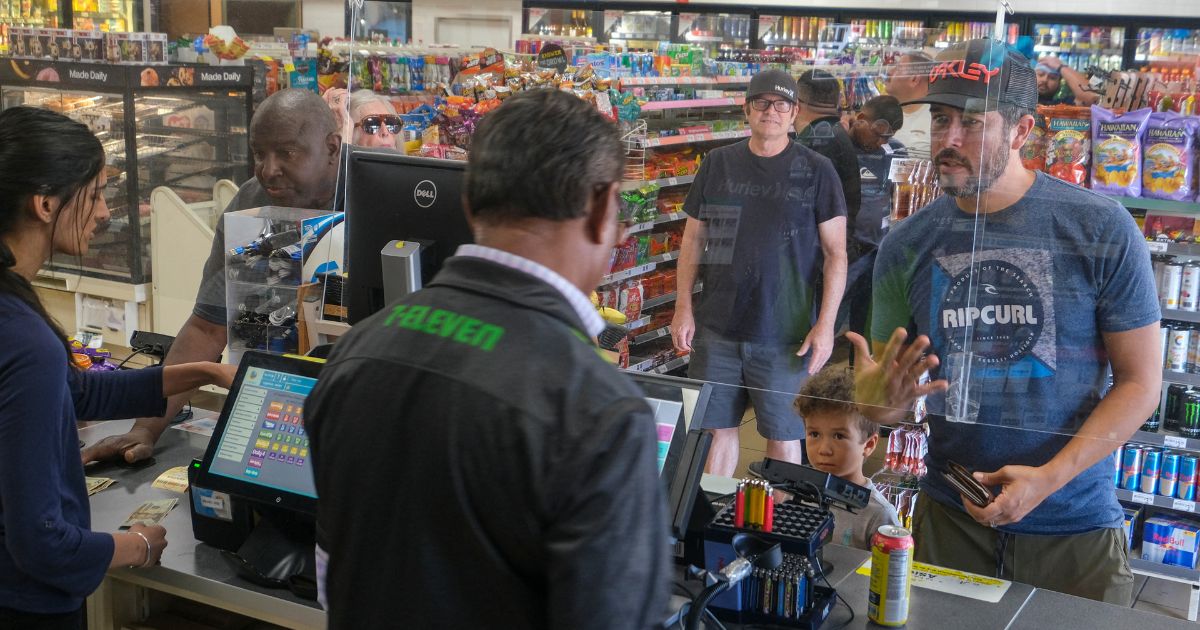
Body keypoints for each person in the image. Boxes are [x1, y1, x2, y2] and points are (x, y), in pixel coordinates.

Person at [305, 89, 668, 629]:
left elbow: (332, 581)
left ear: (469, 203)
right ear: (599, 209)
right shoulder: (598, 411)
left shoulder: (357, 350)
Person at [852, 39, 1160, 603]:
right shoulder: (906, 244)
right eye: (940, 118)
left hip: (1075, 528)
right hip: (951, 521)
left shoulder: (1101, 229)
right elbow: (885, 402)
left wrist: (1050, 478)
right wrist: (879, 399)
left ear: (1021, 131)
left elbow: (1140, 383)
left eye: (972, 123)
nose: (947, 140)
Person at [0, 107, 235, 629]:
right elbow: (41, 541)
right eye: (95, 194)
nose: (105, 213)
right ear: (44, 204)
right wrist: (136, 546)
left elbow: (79, 393)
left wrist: (204, 373)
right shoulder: (26, 339)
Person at [81, 88, 342, 466]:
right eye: (258, 154)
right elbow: (207, 328)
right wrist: (145, 429)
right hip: (280, 417)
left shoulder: (379, 192)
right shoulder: (252, 206)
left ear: (332, 148)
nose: (268, 170)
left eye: (286, 152)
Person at [672, 69, 847, 476]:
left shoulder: (817, 170)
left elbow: (835, 253)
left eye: (781, 103)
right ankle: (711, 521)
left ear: (794, 113)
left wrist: (826, 325)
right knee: (716, 432)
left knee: (783, 437)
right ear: (746, 109)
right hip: (717, 327)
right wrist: (683, 306)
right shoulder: (718, 163)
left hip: (785, 334)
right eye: (762, 103)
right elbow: (692, 241)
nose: (771, 111)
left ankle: (776, 531)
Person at [794, 367, 900, 550]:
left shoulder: (879, 515)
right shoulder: (798, 496)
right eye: (814, 434)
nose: (824, 450)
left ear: (868, 445)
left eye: (839, 436)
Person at [843, 95, 905, 339]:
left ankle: (855, 368)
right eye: (878, 134)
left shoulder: (896, 151)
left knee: (865, 321)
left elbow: (901, 199)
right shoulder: (839, 148)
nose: (881, 142)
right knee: (832, 314)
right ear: (860, 119)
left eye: (887, 137)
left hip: (877, 250)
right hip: (844, 252)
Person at [793, 69, 862, 263]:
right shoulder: (837, 133)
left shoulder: (809, 145)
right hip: (837, 251)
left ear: (796, 104)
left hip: (816, 260)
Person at [885, 50, 934, 159]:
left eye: (898, 68)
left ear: (914, 79)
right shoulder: (883, 112)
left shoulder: (936, 119)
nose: (889, 72)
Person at [1036, 56, 1100, 106]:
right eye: (1040, 74)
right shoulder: (1026, 101)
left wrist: (1060, 67)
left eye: (1052, 78)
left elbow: (1091, 97)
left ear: (1059, 83)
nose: (1045, 80)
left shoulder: (1060, 105)